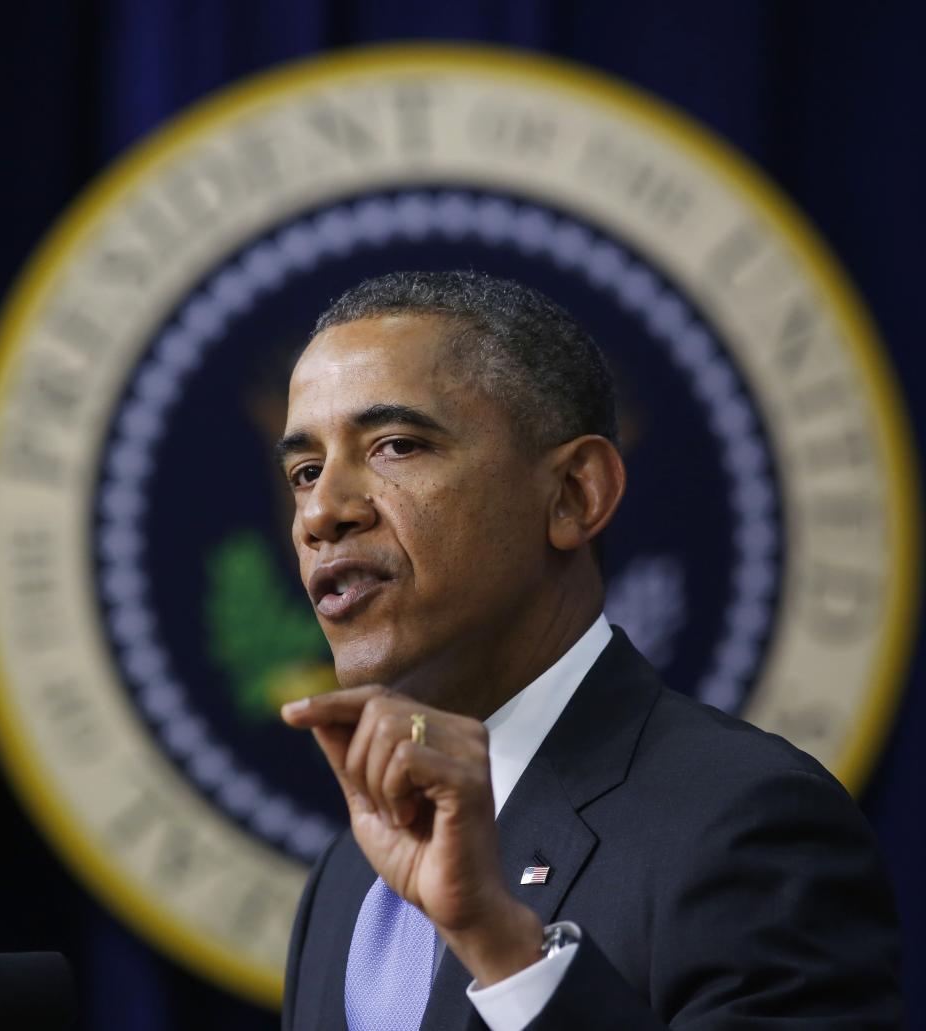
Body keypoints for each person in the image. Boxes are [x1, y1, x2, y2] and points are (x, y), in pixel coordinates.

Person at [277, 271, 902, 1030]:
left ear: (576, 493)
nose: (322, 512)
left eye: (396, 446)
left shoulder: (748, 823)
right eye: (305, 471)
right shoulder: (348, 882)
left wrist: (506, 949)